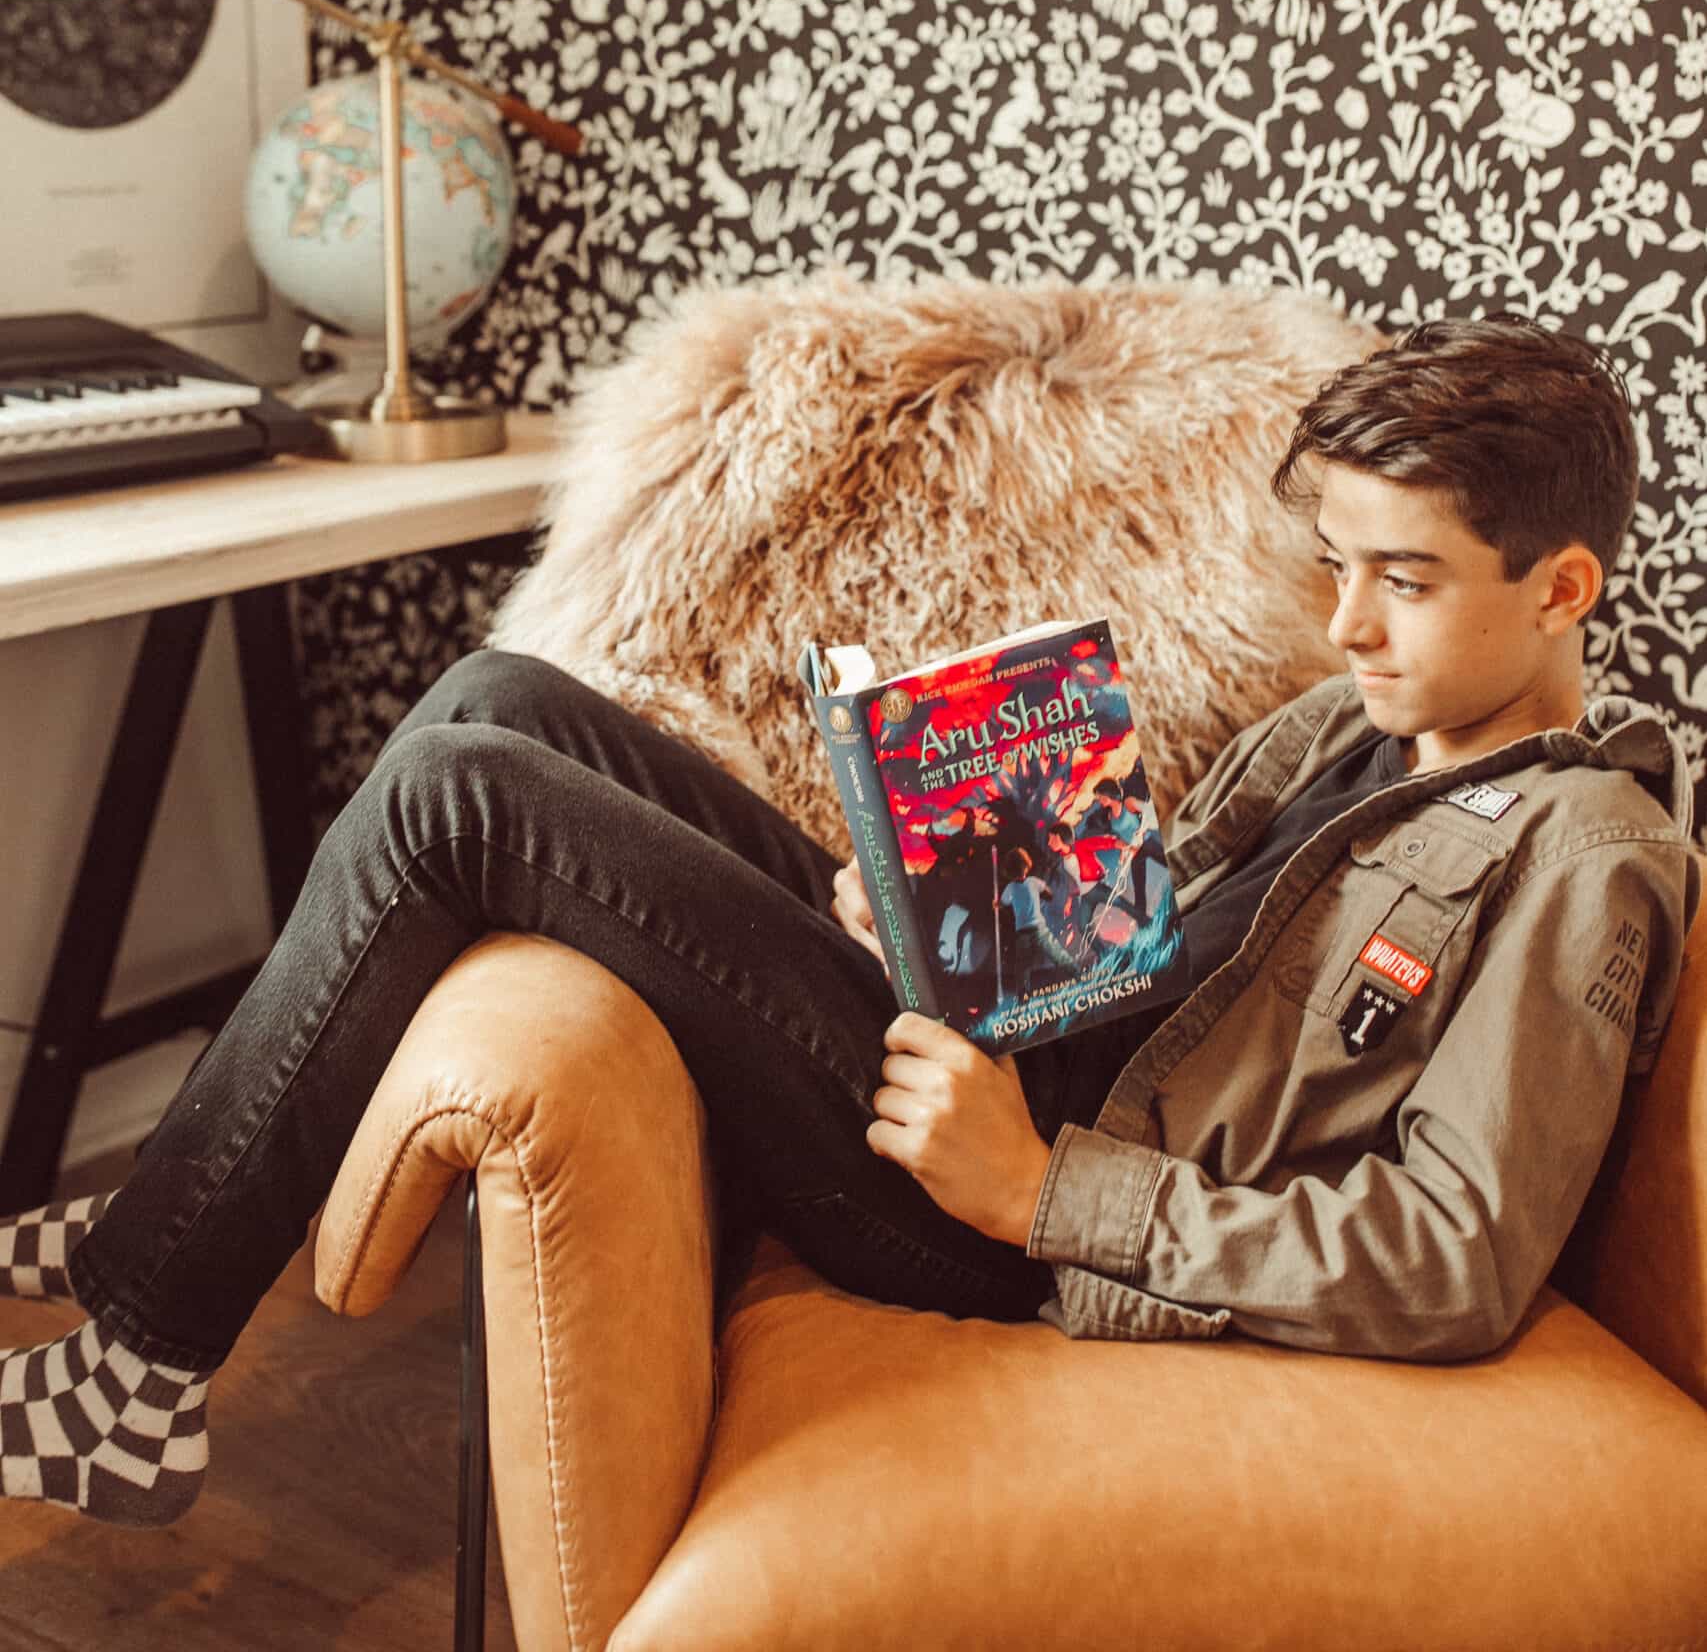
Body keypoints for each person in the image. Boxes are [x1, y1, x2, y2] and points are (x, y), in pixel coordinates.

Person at [0, 316, 1698, 1528]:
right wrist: (946, 917)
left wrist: (1042, 1192)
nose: (1344, 623)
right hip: (997, 1045)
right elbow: (1166, 939)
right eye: (1333, 564)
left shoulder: (1589, 859)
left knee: (461, 790)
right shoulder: (1359, 726)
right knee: (503, 692)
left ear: (1562, 588)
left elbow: (1453, 1255)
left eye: (1400, 581)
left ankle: (142, 1366)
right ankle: (174, 1214)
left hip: (998, 1206)